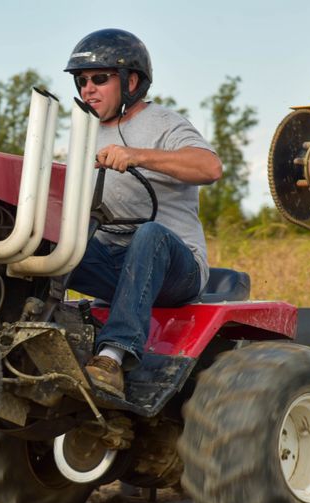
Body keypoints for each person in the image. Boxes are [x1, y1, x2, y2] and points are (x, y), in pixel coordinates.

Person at [64, 28, 222, 398]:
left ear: (131, 80)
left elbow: (210, 168)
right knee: (53, 242)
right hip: (115, 265)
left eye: (100, 79)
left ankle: (113, 356)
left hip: (174, 268)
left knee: (148, 235)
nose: (88, 88)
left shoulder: (163, 124)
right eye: (83, 80)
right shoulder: (83, 137)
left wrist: (138, 156)